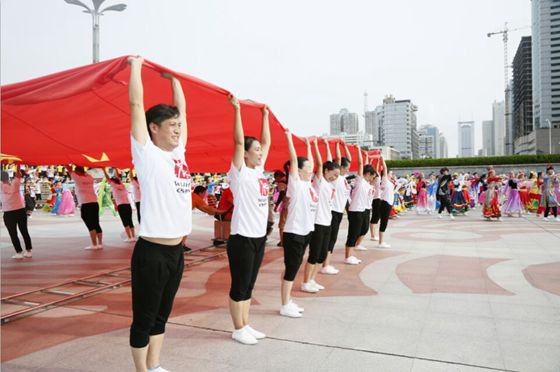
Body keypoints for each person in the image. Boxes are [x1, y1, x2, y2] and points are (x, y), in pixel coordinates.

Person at [128, 56, 192, 372]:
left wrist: (174, 80)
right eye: (172, 126)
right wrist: (136, 66)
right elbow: (136, 107)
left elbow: (182, 111)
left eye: (180, 125)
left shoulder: (178, 154)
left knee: (162, 314)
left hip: (176, 252)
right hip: (151, 253)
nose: (178, 130)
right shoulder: (147, 154)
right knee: (144, 317)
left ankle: (154, 366)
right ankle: (141, 370)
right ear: (154, 128)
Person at [226, 95, 271, 345]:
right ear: (245, 154)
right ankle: (237, 328)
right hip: (242, 238)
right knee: (240, 285)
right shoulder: (240, 172)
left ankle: (246, 324)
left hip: (258, 237)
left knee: (250, 284)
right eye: (256, 150)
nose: (261, 152)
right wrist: (238, 110)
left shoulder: (259, 172)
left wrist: (264, 115)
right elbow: (238, 140)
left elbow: (265, 140)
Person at [280, 133, 316, 316]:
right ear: (298, 170)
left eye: (311, 167)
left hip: (306, 231)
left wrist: (309, 145)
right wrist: (289, 139)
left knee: (294, 267)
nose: (311, 169)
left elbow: (310, 161)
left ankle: (289, 300)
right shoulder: (295, 184)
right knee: (291, 268)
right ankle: (285, 305)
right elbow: (294, 160)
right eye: (307, 167)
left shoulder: (308, 184)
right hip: (294, 233)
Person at [302, 138, 339, 293]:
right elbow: (320, 162)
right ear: (325, 171)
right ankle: (305, 282)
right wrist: (315, 145)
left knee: (322, 254)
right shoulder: (319, 181)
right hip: (317, 223)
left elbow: (330, 161)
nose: (335, 178)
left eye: (337, 175)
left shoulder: (330, 185)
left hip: (327, 222)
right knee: (314, 254)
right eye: (334, 174)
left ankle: (312, 280)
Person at [345, 149, 376, 265]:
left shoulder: (367, 184)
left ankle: (351, 255)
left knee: (360, 231)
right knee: (353, 233)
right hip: (355, 210)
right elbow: (361, 164)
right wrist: (358, 151)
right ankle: (348, 256)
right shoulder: (359, 181)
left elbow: (366, 165)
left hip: (361, 210)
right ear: (367, 174)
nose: (373, 179)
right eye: (372, 176)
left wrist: (369, 157)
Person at [66, 165, 104, 250]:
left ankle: (94, 245)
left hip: (86, 204)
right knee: (96, 223)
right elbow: (81, 171)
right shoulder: (89, 177)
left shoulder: (77, 178)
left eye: (75, 171)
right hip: (94, 203)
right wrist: (78, 164)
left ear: (77, 172)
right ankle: (100, 243)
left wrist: (69, 161)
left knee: (91, 225)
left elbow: (68, 168)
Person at [1, 165, 33, 259]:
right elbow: (18, 175)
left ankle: (19, 253)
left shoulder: (0, 185)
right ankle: (29, 251)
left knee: (13, 233)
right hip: (20, 211)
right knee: (24, 231)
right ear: (8, 177)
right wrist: (18, 165)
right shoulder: (15, 183)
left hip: (9, 213)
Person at [103, 168, 136, 242]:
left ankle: (129, 237)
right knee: (130, 221)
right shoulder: (122, 185)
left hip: (121, 206)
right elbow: (118, 177)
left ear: (112, 181)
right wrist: (115, 168)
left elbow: (108, 178)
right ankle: (133, 237)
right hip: (128, 205)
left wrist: (104, 170)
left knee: (125, 222)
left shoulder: (114, 185)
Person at [378, 158, 395, 248]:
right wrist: (381, 158)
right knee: (384, 222)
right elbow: (384, 168)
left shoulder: (388, 181)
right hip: (385, 203)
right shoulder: (384, 180)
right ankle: (381, 242)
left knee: (385, 222)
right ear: (386, 174)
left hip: (388, 203)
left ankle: (381, 241)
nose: (392, 174)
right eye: (391, 173)